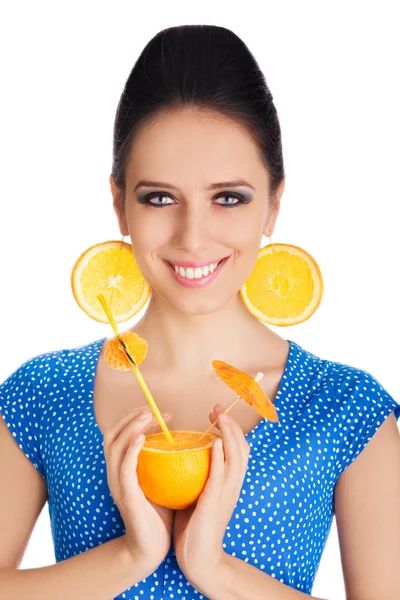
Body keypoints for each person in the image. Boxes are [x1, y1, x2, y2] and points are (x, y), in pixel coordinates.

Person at [0, 23, 399, 600]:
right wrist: (130, 557)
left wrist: (213, 567)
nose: (192, 236)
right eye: (160, 198)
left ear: (273, 204)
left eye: (228, 198)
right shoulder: (43, 394)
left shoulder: (346, 410)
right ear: (120, 205)